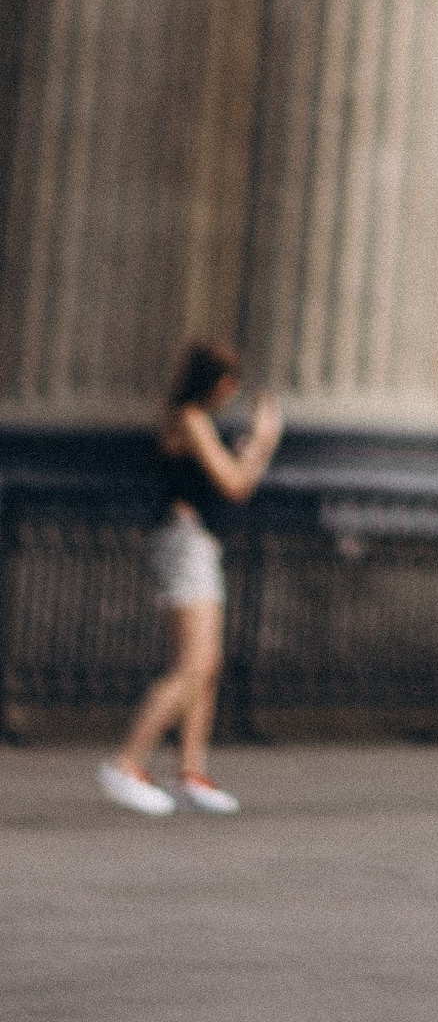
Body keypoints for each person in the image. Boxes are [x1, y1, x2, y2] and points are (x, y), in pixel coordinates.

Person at [98, 340, 281, 817]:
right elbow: (235, 484)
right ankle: (127, 762)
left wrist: (248, 449)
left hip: (197, 542)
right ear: (217, 382)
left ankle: (190, 772)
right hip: (184, 543)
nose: (232, 392)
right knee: (191, 665)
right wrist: (262, 444)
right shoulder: (191, 419)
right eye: (230, 382)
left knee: (207, 664)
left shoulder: (192, 420)